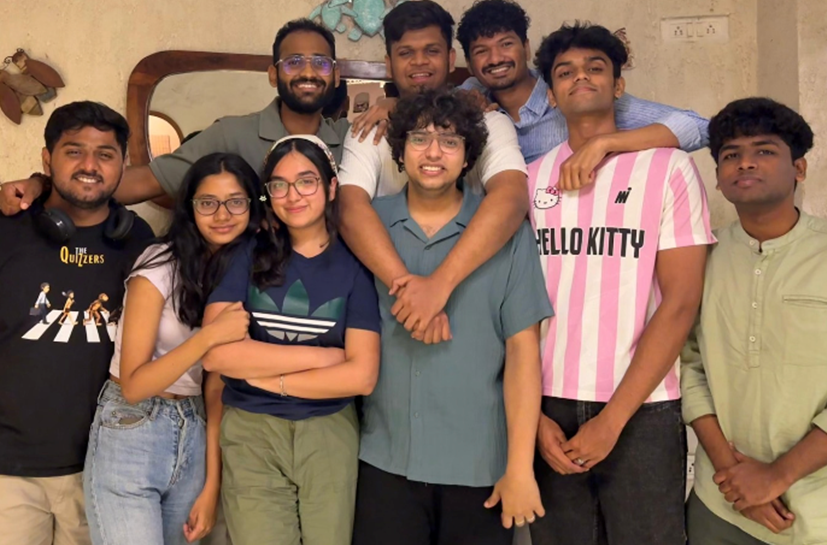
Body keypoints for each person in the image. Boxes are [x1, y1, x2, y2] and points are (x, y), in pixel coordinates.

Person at [0, 101, 154, 544]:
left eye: (105, 154)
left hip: (105, 468)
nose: (89, 165)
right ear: (47, 160)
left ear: (123, 165)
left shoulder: (140, 243)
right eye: (73, 151)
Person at [526, 23, 715, 545]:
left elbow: (681, 302)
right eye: (565, 72)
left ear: (618, 85)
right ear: (551, 93)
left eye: (595, 68)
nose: (580, 77)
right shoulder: (531, 179)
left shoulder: (669, 169)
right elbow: (511, 307)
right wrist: (531, 415)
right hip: (547, 406)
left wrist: (612, 421)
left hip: (642, 406)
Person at [353, 89, 553, 545]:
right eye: (419, 138)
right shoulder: (369, 229)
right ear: (399, 150)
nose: (433, 153)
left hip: (480, 469)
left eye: (449, 141)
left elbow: (523, 353)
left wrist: (520, 469)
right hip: (384, 461)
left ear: (468, 157)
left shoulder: (506, 234)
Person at [0, 19, 387, 213]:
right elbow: (141, 182)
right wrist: (44, 185)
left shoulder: (356, 138)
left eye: (321, 63)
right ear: (273, 74)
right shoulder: (232, 135)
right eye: (293, 62)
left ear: (336, 75)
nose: (308, 72)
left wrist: (396, 105)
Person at [682, 98, 827, 545]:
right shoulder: (702, 257)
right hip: (720, 506)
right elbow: (688, 365)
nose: (745, 163)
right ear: (718, 178)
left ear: (800, 169)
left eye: (764, 150)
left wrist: (777, 476)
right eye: (730, 155)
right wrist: (733, 477)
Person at [201, 135, 381, 545]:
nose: (293, 195)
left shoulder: (356, 262)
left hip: (328, 430)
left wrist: (270, 378)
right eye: (279, 185)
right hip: (251, 431)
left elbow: (362, 376)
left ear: (331, 187)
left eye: (306, 181)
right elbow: (215, 354)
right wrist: (322, 359)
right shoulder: (247, 254)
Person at [84, 152, 262, 545]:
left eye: (235, 201)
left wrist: (212, 484)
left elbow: (214, 388)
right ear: (190, 208)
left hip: (193, 426)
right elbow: (134, 385)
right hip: (132, 427)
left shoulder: (243, 272)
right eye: (207, 202)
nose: (222, 215)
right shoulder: (159, 264)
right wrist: (209, 337)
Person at [338, 0, 530, 345]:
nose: (420, 62)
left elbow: (512, 197)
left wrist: (439, 285)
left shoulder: (489, 121)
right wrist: (413, 293)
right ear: (389, 63)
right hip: (388, 311)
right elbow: (349, 209)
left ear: (451, 59)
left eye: (432, 50)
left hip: (477, 295)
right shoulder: (371, 129)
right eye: (406, 53)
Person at [456, 0, 709, 184]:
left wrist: (603, 144)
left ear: (526, 48)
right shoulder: (474, 104)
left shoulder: (575, 94)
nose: (496, 58)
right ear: (469, 63)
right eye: (482, 51)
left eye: (506, 44)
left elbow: (699, 127)